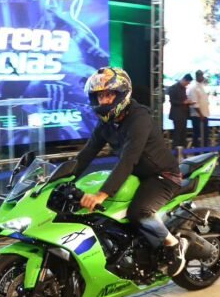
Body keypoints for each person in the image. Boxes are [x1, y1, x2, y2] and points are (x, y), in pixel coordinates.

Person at [74, 67, 189, 277]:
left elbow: (129, 159)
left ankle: (173, 245)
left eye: (108, 95)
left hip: (163, 176)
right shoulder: (107, 124)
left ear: (122, 94)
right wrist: (53, 180)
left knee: (139, 213)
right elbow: (85, 155)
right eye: (99, 96)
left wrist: (101, 194)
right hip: (137, 176)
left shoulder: (139, 118)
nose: (103, 101)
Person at [167, 73, 193, 148]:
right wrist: (183, 102)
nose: (187, 84)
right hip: (177, 115)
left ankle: (183, 151)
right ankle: (175, 151)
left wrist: (188, 102)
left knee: (183, 134)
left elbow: (183, 100)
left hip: (184, 114)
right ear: (184, 80)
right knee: (177, 134)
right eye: (187, 83)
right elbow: (172, 101)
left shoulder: (184, 88)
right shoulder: (173, 88)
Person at [188, 69, 210, 148]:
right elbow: (194, 103)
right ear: (198, 76)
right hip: (198, 116)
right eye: (201, 76)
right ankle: (196, 152)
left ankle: (205, 151)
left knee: (205, 135)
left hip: (204, 114)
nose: (203, 77)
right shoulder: (193, 87)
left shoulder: (202, 86)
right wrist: (200, 114)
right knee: (197, 135)